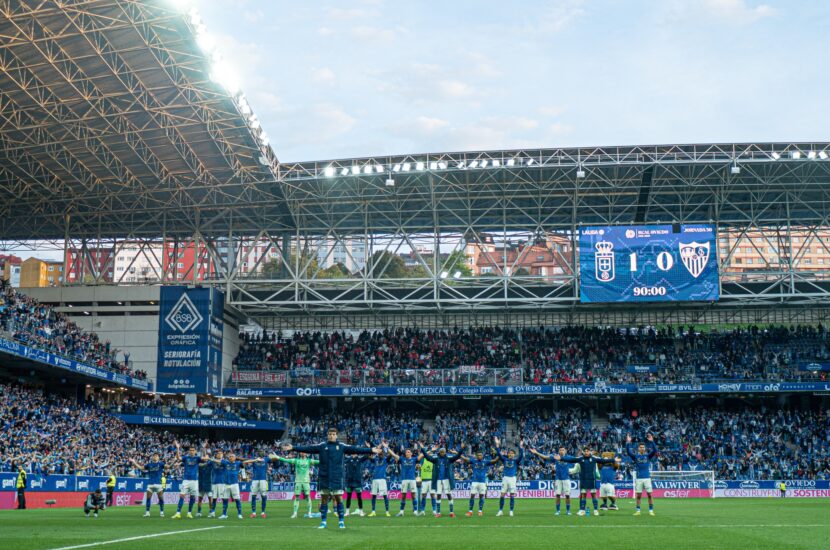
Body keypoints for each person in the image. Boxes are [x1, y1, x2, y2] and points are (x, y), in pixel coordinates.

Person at [281, 427, 381, 529]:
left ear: (336, 435)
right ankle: (323, 522)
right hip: (324, 477)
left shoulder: (341, 446)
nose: (331, 436)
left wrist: (370, 450)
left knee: (339, 499)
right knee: (324, 500)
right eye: (329, 434)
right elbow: (308, 448)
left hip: (337, 477)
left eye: (333, 434)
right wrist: (293, 448)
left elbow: (355, 449)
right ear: (327, 435)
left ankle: (341, 521)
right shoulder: (322, 446)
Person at [556, 447, 621, 516]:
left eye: (587, 451)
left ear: (589, 452)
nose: (586, 452)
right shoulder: (580, 458)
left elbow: (603, 460)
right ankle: (582, 510)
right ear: (583, 452)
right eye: (585, 451)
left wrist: (614, 460)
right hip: (583, 480)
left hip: (592, 480)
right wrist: (561, 458)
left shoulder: (594, 458)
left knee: (593, 495)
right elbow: (571, 460)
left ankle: (595, 510)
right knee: (583, 495)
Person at [420, 442, 465, 518]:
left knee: (449, 494)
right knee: (438, 495)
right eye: (441, 452)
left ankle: (451, 512)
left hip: (446, 479)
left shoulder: (449, 459)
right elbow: (428, 457)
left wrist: (461, 449)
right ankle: (438, 512)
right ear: (439, 452)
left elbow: (457, 456)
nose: (442, 453)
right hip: (438, 480)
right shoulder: (436, 459)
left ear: (445, 452)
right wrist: (423, 449)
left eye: (443, 452)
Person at [272, 452, 319, 518]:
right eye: (301, 452)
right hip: (298, 481)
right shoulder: (296, 461)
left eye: (304, 452)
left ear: (306, 454)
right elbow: (286, 460)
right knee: (297, 497)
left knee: (308, 497)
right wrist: (278, 457)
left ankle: (309, 513)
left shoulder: (309, 461)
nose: (302, 453)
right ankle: (295, 513)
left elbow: (319, 462)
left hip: (306, 481)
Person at [529, 446, 573, 516]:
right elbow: (545, 457)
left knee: (567, 495)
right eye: (560, 450)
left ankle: (568, 511)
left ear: (565, 451)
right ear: (558, 451)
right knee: (558, 495)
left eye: (563, 450)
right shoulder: (555, 457)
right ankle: (558, 511)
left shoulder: (568, 457)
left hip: (566, 479)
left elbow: (577, 460)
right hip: (558, 479)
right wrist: (536, 452)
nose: (561, 451)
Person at [626, 433, 658, 516]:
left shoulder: (648, 456)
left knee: (650, 495)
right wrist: (628, 443)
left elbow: (655, 451)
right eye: (640, 447)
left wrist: (652, 441)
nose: (642, 448)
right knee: (639, 496)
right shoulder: (635, 456)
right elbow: (628, 452)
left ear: (645, 448)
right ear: (638, 448)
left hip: (647, 478)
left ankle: (651, 511)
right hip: (639, 478)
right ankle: (638, 511)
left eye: (643, 447)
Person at [460, 450, 498, 517]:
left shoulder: (485, 462)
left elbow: (494, 461)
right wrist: (458, 454)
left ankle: (480, 511)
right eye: (478, 455)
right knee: (472, 495)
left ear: (482, 456)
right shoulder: (474, 461)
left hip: (482, 482)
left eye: (480, 455)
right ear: (476, 456)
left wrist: (499, 455)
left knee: (481, 496)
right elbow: (465, 459)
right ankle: (470, 511)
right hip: (475, 481)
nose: (479, 456)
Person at [207, 451, 244, 519]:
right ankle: (217, 513)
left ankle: (239, 514)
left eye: (232, 456)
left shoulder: (228, 462)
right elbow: (208, 465)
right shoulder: (222, 462)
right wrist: (210, 459)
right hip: (219, 483)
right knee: (217, 498)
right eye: (230, 456)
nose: (231, 457)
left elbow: (244, 462)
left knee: (234, 499)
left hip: (227, 483)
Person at [386, 446, 421, 517]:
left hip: (412, 479)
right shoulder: (402, 459)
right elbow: (394, 455)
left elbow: (422, 455)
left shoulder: (414, 459)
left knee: (413, 496)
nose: (407, 453)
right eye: (406, 452)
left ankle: (415, 511)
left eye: (408, 452)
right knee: (403, 496)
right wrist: (387, 448)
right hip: (404, 480)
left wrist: (430, 450)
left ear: (411, 453)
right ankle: (401, 512)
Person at [172, 443, 204, 519]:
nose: (191, 451)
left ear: (195, 451)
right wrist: (178, 448)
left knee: (192, 497)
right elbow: (178, 457)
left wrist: (203, 449)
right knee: (182, 495)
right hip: (186, 480)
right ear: (189, 451)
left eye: (193, 450)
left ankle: (189, 513)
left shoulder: (197, 458)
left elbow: (203, 458)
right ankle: (178, 513)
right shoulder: (186, 458)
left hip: (194, 481)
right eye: (190, 450)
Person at [494, 437, 524, 517]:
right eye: (509, 453)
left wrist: (521, 447)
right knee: (502, 495)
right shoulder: (505, 459)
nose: (510, 454)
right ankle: (500, 510)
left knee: (512, 495)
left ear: (514, 455)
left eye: (512, 453)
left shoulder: (516, 461)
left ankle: (511, 511)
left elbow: (521, 456)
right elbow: (499, 454)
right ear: (508, 454)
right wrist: (497, 445)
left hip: (512, 478)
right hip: (505, 478)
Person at [129, 452, 165, 517]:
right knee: (148, 499)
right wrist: (134, 462)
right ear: (152, 457)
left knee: (161, 499)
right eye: (154, 456)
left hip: (158, 484)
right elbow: (141, 468)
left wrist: (174, 461)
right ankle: (147, 512)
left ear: (158, 457)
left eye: (156, 456)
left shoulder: (161, 464)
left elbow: (168, 467)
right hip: (150, 484)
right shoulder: (149, 464)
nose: (155, 457)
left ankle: (162, 512)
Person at [367, 447, 391, 517]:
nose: (380, 454)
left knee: (385, 495)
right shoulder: (375, 459)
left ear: (383, 453)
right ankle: (373, 511)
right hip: (375, 479)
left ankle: (387, 512)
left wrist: (387, 447)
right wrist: (369, 448)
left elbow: (390, 455)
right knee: (373, 495)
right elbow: (368, 456)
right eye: (379, 453)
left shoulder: (385, 459)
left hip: (382, 479)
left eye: (381, 453)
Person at [208, 450, 227, 519]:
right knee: (214, 498)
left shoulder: (225, 461)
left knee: (223, 498)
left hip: (222, 482)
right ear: (216, 455)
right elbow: (206, 464)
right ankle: (212, 512)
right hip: (214, 482)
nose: (219, 454)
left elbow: (219, 462)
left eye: (221, 453)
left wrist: (212, 459)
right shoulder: (212, 462)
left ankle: (224, 514)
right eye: (218, 453)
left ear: (222, 455)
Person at [417, 453, 434, 517]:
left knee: (432, 495)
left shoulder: (433, 460)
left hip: (431, 480)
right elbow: (418, 467)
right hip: (424, 480)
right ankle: (422, 511)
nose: (430, 455)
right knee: (423, 496)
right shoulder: (423, 460)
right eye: (429, 454)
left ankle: (434, 511)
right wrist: (418, 466)